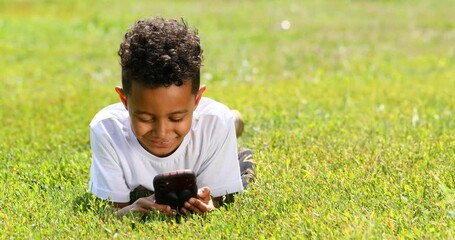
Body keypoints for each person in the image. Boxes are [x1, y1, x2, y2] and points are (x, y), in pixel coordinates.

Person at [88, 16, 254, 218]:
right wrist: (129, 211)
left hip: (216, 125)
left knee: (243, 175)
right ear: (124, 100)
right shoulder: (106, 130)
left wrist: (211, 204)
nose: (162, 132)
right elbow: (115, 208)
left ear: (197, 100)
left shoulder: (216, 122)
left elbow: (218, 197)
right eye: (146, 119)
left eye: (176, 118)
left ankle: (233, 125)